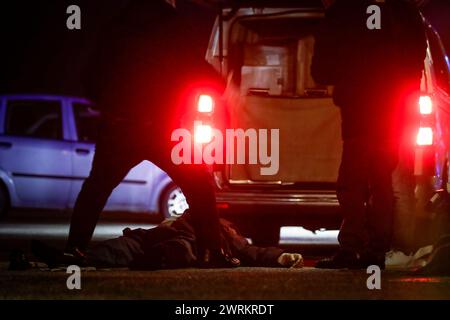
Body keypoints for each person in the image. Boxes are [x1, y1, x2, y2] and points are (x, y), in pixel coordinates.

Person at [66, 0, 237, 267]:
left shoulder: (117, 25)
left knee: (95, 189)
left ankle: (73, 249)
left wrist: (110, 105)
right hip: (162, 126)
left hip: (120, 124)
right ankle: (212, 251)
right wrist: (215, 80)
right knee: (198, 187)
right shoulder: (174, 26)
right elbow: (190, 66)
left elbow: (90, 75)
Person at [312, 0, 427, 268]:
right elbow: (416, 56)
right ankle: (377, 250)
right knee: (382, 179)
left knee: (352, 181)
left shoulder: (344, 12)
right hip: (391, 110)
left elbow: (322, 67)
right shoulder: (404, 11)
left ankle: (352, 247)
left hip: (359, 111)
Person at [29, 210, 304, 270]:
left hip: (178, 242)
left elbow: (251, 251)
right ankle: (72, 258)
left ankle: (152, 259)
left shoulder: (223, 233)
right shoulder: (189, 216)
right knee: (117, 248)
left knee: (178, 250)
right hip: (151, 236)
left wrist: (280, 256)